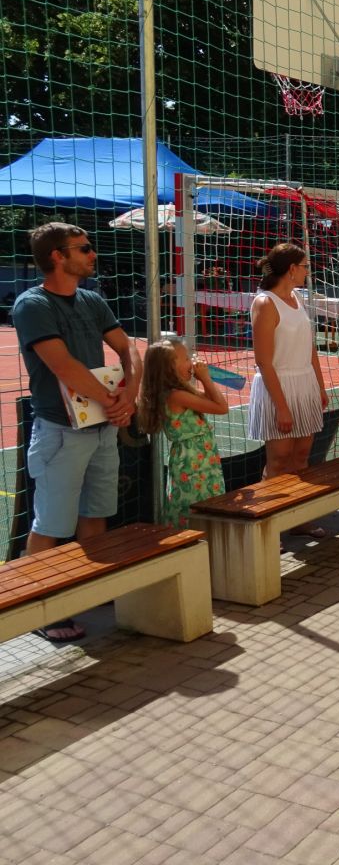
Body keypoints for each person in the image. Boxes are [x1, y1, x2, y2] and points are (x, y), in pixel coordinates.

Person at [12, 223, 142, 641]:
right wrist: (114, 401)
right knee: (51, 523)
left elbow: (128, 347)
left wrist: (129, 395)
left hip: (101, 426)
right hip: (61, 431)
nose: (92, 254)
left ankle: (89, 588)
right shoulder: (32, 305)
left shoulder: (91, 299)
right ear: (57, 255)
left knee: (96, 514)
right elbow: (62, 365)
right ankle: (41, 608)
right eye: (84, 248)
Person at [247, 243, 330, 538]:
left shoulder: (297, 298)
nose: (308, 271)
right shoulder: (264, 303)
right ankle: (270, 529)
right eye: (305, 266)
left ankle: (299, 517)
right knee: (279, 459)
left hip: (304, 384)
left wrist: (320, 387)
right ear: (292, 269)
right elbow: (263, 361)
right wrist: (281, 406)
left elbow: (310, 349)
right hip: (278, 387)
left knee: (302, 456)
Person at [136, 337, 228, 528]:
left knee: (207, 507)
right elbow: (221, 407)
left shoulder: (179, 392)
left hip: (202, 460)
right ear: (170, 367)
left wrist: (204, 379)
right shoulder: (177, 396)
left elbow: (212, 400)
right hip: (193, 464)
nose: (191, 362)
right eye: (186, 358)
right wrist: (206, 379)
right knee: (195, 510)